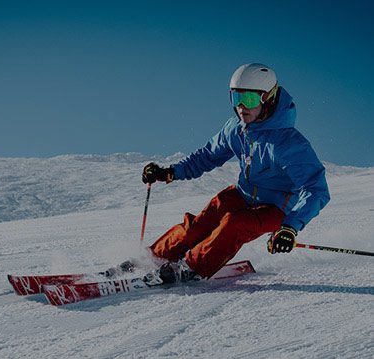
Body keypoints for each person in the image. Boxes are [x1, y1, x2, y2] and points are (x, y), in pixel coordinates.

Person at [141, 63, 330, 284]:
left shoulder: (288, 144)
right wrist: (169, 172)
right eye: (235, 98)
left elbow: (316, 190)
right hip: (243, 194)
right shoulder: (235, 129)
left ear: (267, 98)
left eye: (249, 99)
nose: (241, 106)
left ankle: (190, 268)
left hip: (277, 208)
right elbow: (207, 156)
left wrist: (290, 227)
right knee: (201, 223)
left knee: (235, 223)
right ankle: (152, 258)